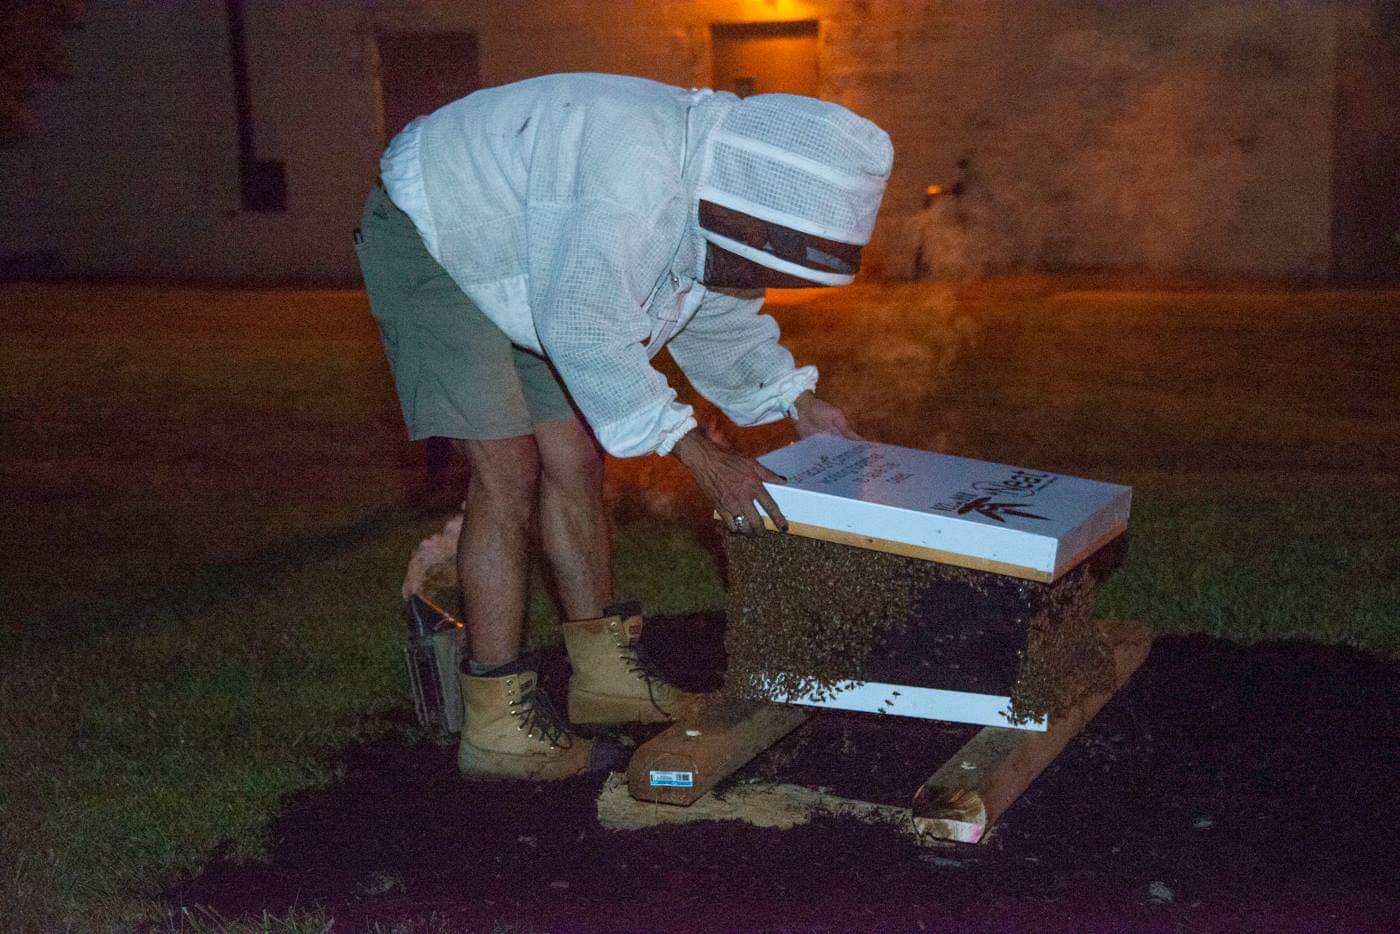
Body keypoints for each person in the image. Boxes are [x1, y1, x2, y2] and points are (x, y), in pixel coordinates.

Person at [355, 73, 892, 781]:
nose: (756, 266)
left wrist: (795, 402)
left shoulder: (710, 190)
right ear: (752, 200)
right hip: (438, 232)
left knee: (575, 455)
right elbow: (583, 327)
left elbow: (714, 307)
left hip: (536, 251)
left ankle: (606, 679)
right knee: (508, 468)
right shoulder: (632, 180)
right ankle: (494, 725)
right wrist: (702, 456)